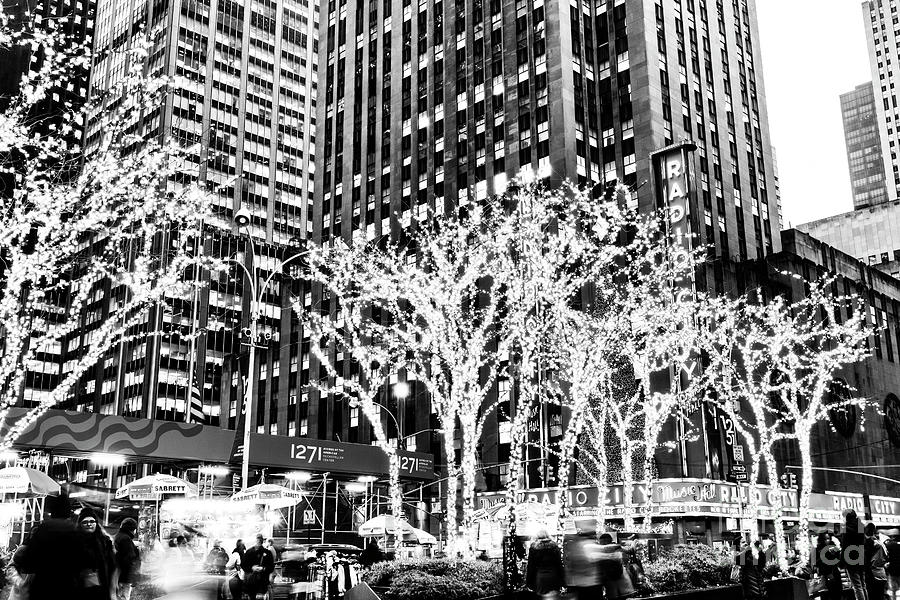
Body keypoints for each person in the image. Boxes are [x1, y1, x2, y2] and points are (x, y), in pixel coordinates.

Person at [16, 493, 86, 600]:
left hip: (42, 587)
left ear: (52, 510)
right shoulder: (75, 530)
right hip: (68, 588)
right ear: (68, 510)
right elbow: (83, 561)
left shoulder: (42, 529)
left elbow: (28, 563)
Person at [76, 507, 117, 600]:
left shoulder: (105, 542)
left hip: (102, 587)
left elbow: (112, 565)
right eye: (85, 522)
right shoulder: (75, 542)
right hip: (81, 588)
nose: (89, 524)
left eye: (92, 521)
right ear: (80, 524)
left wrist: (113, 588)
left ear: (96, 523)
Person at [525, 529, 563, 600]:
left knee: (542, 597)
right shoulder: (554, 546)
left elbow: (531, 566)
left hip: (540, 577)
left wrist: (529, 582)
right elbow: (559, 564)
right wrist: (562, 580)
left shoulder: (534, 547)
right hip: (554, 575)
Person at [596, 533, 636, 600]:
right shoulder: (615, 547)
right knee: (620, 595)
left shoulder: (599, 549)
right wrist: (634, 541)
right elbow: (630, 551)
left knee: (612, 595)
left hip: (608, 578)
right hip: (618, 577)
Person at [564, 530, 602, 600]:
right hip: (592, 582)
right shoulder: (592, 545)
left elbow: (570, 566)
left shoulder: (574, 546)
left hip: (578, 583)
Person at [842, 509, 869, 600]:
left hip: (851, 559)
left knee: (857, 586)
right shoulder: (861, 526)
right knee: (862, 584)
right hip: (861, 557)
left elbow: (845, 546)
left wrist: (842, 562)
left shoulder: (847, 529)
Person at [113, 518, 141, 600]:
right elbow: (129, 559)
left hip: (118, 576)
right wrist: (133, 577)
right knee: (124, 597)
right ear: (133, 529)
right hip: (124, 577)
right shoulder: (126, 539)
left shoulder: (118, 536)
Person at [243, 534, 275, 599]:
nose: (258, 540)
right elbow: (244, 565)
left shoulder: (267, 552)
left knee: (254, 596)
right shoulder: (250, 552)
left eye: (259, 539)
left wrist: (262, 568)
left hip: (257, 581)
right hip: (257, 581)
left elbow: (271, 567)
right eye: (258, 538)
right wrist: (253, 568)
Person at [813, 533, 842, 600]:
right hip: (825, 574)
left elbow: (838, 560)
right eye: (825, 539)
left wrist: (836, 552)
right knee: (827, 593)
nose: (827, 541)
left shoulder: (834, 547)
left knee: (836, 592)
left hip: (834, 572)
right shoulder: (818, 549)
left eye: (828, 538)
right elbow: (817, 562)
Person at [864, 523, 888, 600]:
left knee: (873, 596)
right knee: (880, 596)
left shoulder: (870, 544)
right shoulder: (881, 543)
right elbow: (887, 557)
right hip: (882, 573)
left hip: (873, 575)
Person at [886, 529, 900, 600]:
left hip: (893, 570)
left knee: (893, 589)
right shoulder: (898, 545)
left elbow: (886, 557)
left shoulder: (888, 545)